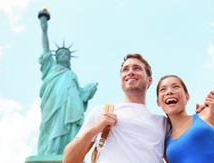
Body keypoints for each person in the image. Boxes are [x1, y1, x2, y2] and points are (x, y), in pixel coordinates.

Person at [63, 53, 168, 163]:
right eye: (125, 70)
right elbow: (68, 160)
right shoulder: (102, 111)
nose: (130, 72)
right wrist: (94, 129)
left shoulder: (163, 123)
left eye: (137, 68)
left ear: (150, 80)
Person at [38, 10, 98, 155]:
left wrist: (88, 91)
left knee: (70, 127)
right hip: (52, 105)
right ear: (56, 57)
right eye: (61, 54)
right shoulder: (51, 67)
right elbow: (46, 49)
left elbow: (79, 95)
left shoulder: (72, 75)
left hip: (69, 108)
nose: (64, 55)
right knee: (51, 128)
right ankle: (48, 153)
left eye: (66, 54)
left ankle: (66, 153)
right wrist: (44, 27)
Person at [156, 75, 214, 163]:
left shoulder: (208, 114)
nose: (169, 92)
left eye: (176, 86)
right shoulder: (165, 143)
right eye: (163, 89)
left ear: (187, 97)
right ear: (158, 102)